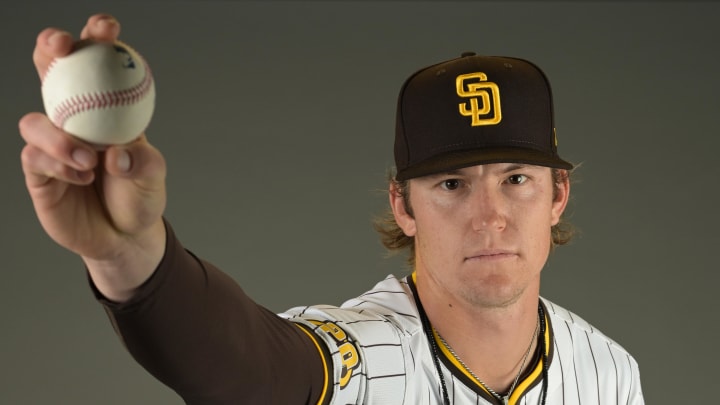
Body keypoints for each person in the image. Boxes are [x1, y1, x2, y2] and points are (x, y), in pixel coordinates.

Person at [19, 14, 644, 405]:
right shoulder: (359, 358)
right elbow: (247, 370)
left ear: (558, 195)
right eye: (451, 185)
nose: (489, 216)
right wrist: (130, 257)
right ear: (403, 205)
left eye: (516, 179)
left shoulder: (610, 374)